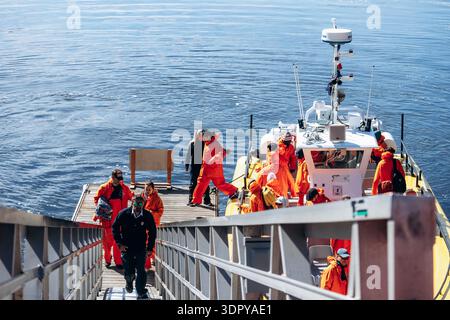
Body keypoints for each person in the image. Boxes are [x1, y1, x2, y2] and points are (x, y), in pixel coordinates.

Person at [112, 195, 157, 300]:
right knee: (129, 270)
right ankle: (129, 281)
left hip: (141, 247)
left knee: (141, 270)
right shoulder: (123, 214)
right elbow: (115, 228)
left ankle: (141, 292)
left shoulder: (147, 216)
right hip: (126, 247)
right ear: (132, 203)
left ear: (143, 204)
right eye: (136, 203)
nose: (138, 206)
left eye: (140, 204)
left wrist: (149, 248)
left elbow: (152, 232)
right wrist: (119, 244)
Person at [93, 169, 133, 269]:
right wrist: (103, 209)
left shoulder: (125, 188)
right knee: (107, 243)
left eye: (121, 178)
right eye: (118, 178)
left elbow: (132, 197)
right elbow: (96, 199)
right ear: (113, 177)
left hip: (121, 221)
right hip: (107, 220)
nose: (120, 180)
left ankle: (118, 261)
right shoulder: (104, 188)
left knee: (118, 242)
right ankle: (107, 259)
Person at [191, 131, 239, 206]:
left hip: (214, 169)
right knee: (200, 184)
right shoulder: (208, 142)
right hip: (205, 168)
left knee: (220, 184)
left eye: (201, 137)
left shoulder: (215, 144)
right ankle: (196, 200)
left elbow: (219, 155)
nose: (200, 138)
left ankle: (234, 191)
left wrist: (211, 160)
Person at [185, 129, 211, 206]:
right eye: (200, 135)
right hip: (194, 167)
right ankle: (191, 200)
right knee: (193, 183)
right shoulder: (192, 144)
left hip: (204, 167)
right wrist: (186, 165)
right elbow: (188, 156)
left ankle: (207, 201)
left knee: (205, 184)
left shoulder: (207, 144)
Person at [142, 181, 164, 270]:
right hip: (143, 224)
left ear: (153, 189)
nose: (147, 191)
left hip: (153, 223)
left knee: (152, 242)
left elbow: (161, 210)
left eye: (149, 189)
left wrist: (152, 214)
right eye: (146, 189)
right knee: (144, 242)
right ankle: (146, 262)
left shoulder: (157, 199)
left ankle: (153, 257)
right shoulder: (142, 197)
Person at [276, 132, 298, 198]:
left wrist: (292, 167)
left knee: (291, 181)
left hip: (285, 167)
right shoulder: (277, 146)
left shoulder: (291, 147)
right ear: (283, 140)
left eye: (289, 141)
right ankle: (282, 196)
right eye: (287, 141)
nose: (289, 142)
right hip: (277, 167)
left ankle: (294, 194)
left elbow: (293, 158)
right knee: (282, 183)